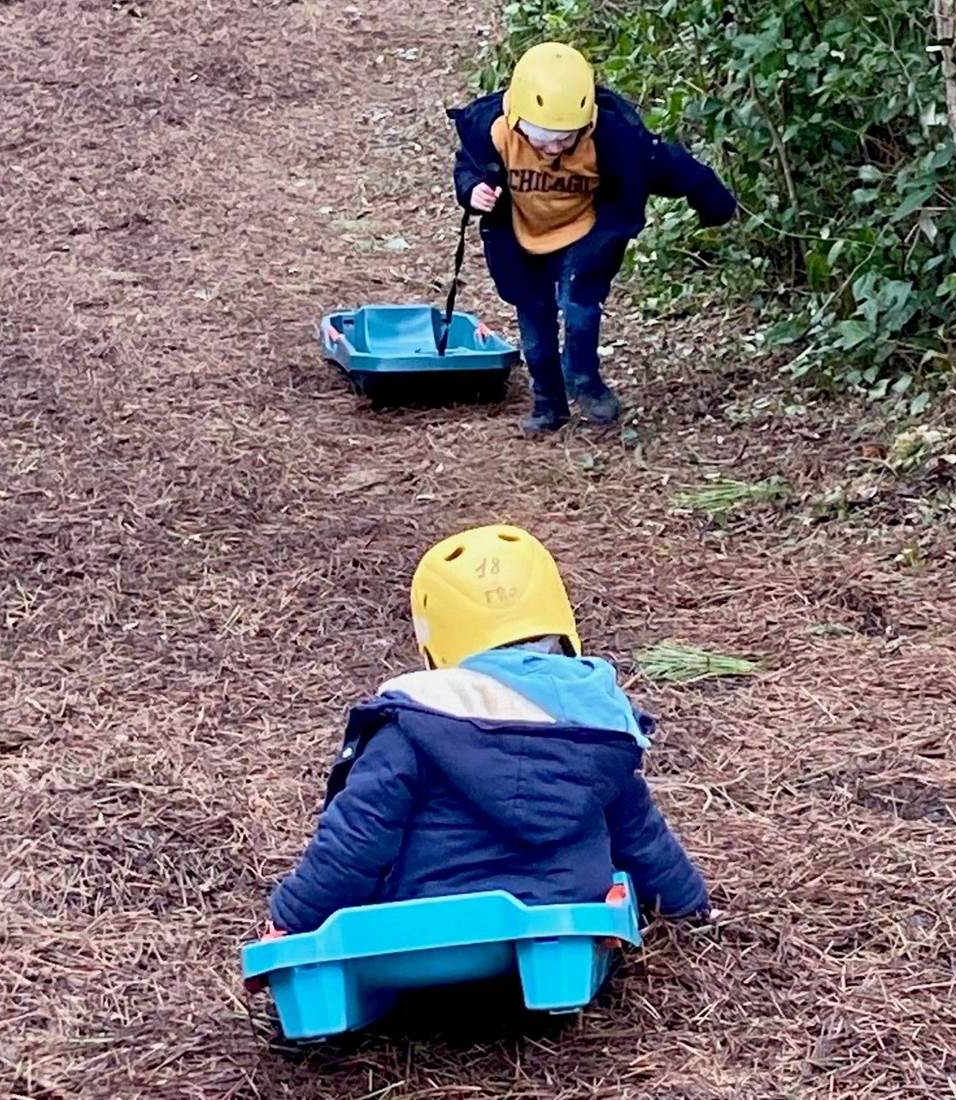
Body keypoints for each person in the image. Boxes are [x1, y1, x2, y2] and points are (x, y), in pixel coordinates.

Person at [267, 524, 709, 935]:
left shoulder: (415, 723)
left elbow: (355, 841)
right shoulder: (593, 724)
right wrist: (689, 908)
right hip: (562, 928)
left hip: (430, 931)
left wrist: (293, 919)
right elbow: (641, 838)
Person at [447, 42, 736, 435]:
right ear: (516, 119)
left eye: (565, 140)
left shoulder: (611, 138)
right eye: (543, 139)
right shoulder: (494, 133)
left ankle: (584, 380)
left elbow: (666, 164)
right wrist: (473, 190)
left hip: (586, 234)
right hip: (521, 238)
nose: (554, 149)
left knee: (580, 305)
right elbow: (469, 166)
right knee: (535, 325)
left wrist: (712, 199)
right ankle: (549, 403)